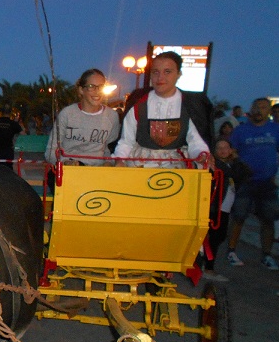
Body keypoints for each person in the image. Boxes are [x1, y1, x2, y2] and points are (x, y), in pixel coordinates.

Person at [113, 51, 212, 168]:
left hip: (176, 166)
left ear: (179, 74)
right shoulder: (138, 103)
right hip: (140, 165)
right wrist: (120, 160)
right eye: (156, 72)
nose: (160, 77)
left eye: (167, 72)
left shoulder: (189, 105)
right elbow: (126, 142)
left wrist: (202, 155)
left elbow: (195, 140)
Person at [225, 97, 279, 270]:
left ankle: (266, 255)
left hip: (267, 182)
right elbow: (231, 151)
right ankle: (231, 251)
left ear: (268, 111)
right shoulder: (241, 130)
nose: (258, 110)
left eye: (263, 107)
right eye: (256, 107)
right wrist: (239, 165)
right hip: (246, 182)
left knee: (268, 220)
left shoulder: (275, 129)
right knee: (239, 217)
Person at [45, 68, 120, 166]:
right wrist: (66, 162)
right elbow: (51, 151)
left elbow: (110, 148)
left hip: (97, 170)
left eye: (101, 86)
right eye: (91, 86)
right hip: (70, 169)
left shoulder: (112, 116)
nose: (97, 91)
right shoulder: (67, 114)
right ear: (81, 90)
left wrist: (108, 162)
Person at [202, 138, 251, 282]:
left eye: (226, 148)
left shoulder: (232, 164)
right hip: (215, 208)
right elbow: (228, 173)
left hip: (225, 207)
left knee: (219, 237)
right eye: (219, 148)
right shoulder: (216, 165)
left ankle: (205, 265)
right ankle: (208, 268)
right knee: (215, 237)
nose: (223, 151)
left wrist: (236, 159)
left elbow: (246, 173)